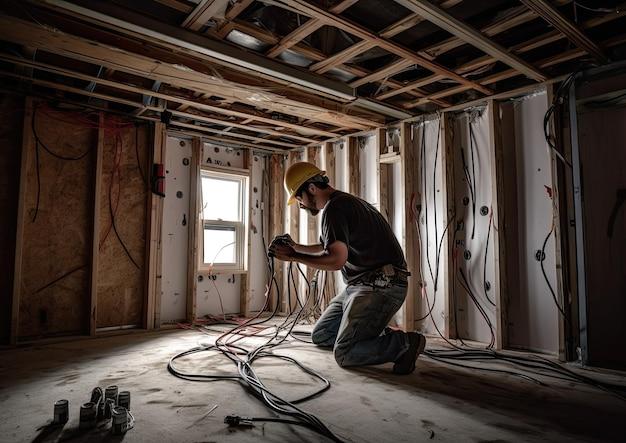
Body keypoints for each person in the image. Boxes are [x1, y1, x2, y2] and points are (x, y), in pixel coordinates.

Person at [268, 162, 426, 375]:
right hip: (363, 285)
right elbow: (330, 246)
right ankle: (370, 335)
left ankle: (404, 343)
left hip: (380, 286)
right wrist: (295, 246)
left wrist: (294, 256)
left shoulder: (336, 208)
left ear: (312, 188)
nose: (301, 204)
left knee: (345, 352)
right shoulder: (343, 203)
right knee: (322, 334)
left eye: (299, 197)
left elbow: (335, 260)